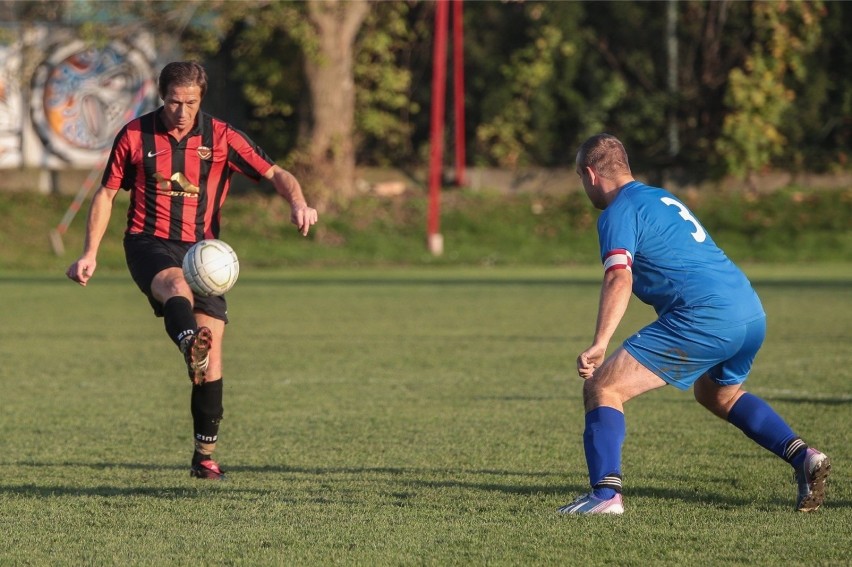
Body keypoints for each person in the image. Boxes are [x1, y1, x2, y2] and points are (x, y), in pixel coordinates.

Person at [65, 61, 318, 480]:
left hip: (203, 252)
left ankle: (204, 455)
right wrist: (89, 252)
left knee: (212, 360)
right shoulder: (134, 135)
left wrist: (298, 202)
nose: (181, 112)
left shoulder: (221, 136)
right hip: (147, 242)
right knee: (174, 284)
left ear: (201, 99)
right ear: (161, 97)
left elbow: (277, 174)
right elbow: (107, 194)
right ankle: (187, 344)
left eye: (190, 103)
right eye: (173, 102)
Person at [558, 133, 830, 514]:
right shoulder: (661, 198)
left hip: (703, 316)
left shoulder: (618, 211)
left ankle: (605, 496)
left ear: (590, 174)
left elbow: (619, 277)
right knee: (719, 394)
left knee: (604, 387)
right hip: (748, 310)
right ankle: (803, 456)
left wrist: (600, 342)